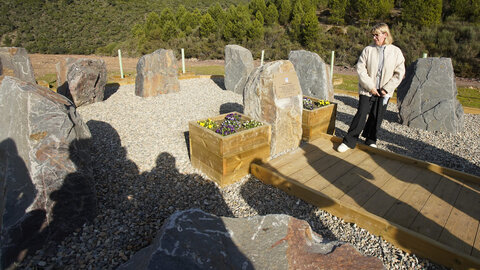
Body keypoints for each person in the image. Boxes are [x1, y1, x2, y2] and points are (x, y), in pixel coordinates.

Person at [337, 23, 405, 153]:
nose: (374, 38)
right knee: (361, 114)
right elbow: (360, 69)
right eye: (373, 35)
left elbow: (400, 73)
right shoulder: (368, 50)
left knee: (377, 116)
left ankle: (371, 139)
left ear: (385, 35)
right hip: (367, 89)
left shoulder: (396, 52)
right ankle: (349, 140)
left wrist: (386, 89)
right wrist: (370, 87)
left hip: (384, 91)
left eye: (376, 35)